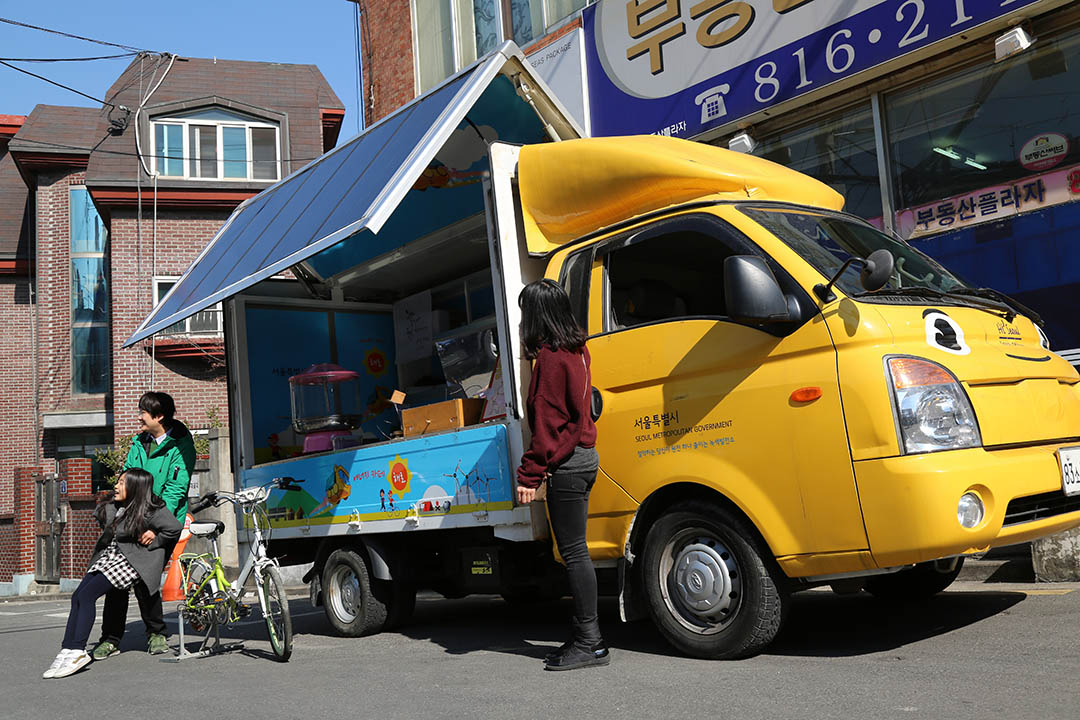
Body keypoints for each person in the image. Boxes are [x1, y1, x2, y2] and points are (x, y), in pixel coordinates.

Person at [515, 279, 609, 671]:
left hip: (567, 466)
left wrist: (529, 476)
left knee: (573, 554)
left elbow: (547, 427)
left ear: (536, 316)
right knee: (577, 553)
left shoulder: (551, 360)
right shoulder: (578, 350)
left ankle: (591, 642)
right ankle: (586, 637)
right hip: (585, 458)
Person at [43, 468, 182, 679]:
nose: (116, 486)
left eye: (122, 483)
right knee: (78, 596)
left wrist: (154, 536)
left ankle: (78, 650)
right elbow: (103, 517)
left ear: (136, 487)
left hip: (130, 561)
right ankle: (68, 649)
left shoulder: (152, 510)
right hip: (109, 557)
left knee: (88, 596)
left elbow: (174, 527)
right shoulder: (115, 508)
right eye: (118, 481)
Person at [92, 391, 196, 659]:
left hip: (160, 522)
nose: (138, 417)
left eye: (143, 413)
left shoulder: (181, 445)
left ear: (159, 416)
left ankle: (157, 633)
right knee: (117, 580)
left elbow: (175, 491)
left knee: (146, 579)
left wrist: (156, 526)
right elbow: (129, 477)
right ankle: (110, 638)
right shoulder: (139, 442)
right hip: (131, 517)